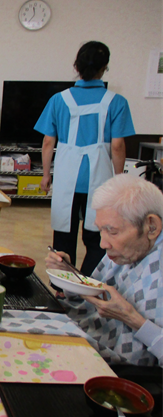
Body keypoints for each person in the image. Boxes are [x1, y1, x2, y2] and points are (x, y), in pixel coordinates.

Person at [35, 41, 135, 276]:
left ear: (76, 66)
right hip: (100, 178)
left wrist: (46, 175)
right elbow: (118, 145)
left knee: (63, 233)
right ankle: (90, 282)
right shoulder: (117, 102)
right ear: (105, 68)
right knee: (98, 235)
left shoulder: (59, 100)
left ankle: (62, 285)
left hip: (67, 176)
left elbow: (48, 142)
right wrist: (118, 181)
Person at [46, 174, 163, 367]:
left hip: (125, 373)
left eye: (113, 231)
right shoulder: (131, 247)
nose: (103, 243)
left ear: (152, 226)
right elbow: (99, 289)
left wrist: (132, 319)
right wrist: (69, 273)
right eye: (101, 230)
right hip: (92, 335)